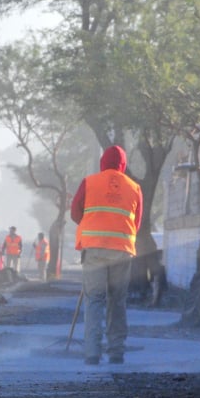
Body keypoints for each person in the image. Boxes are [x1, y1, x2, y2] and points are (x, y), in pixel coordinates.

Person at [70, 145, 143, 365]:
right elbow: (136, 224)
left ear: (103, 162)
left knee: (94, 300)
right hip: (122, 251)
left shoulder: (89, 182)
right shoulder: (134, 188)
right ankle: (116, 351)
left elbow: (75, 212)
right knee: (117, 301)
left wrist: (91, 225)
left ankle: (92, 353)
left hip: (94, 250)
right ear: (123, 164)